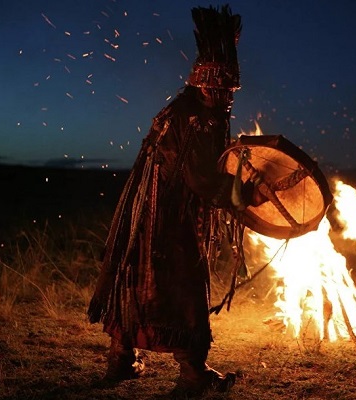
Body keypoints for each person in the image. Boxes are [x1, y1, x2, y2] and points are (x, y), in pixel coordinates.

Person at [87, 5, 265, 396]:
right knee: (181, 288)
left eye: (231, 93)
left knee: (134, 278)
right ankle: (193, 373)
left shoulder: (176, 108)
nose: (228, 99)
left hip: (144, 214)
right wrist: (247, 194)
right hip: (169, 218)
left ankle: (120, 358)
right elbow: (202, 180)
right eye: (224, 91)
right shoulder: (201, 119)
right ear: (208, 86)